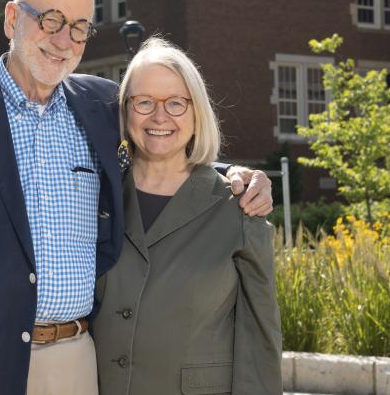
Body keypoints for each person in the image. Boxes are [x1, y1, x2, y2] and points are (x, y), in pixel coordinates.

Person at [0, 0, 273, 395]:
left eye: (79, 28)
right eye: (51, 21)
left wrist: (231, 176)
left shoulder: (100, 107)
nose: (64, 40)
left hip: (76, 362)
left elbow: (161, 140)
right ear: (12, 19)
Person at [93, 38, 282, 394]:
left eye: (176, 103)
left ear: (197, 113)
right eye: (144, 101)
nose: (159, 116)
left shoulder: (239, 206)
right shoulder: (98, 196)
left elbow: (260, 336)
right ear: (125, 110)